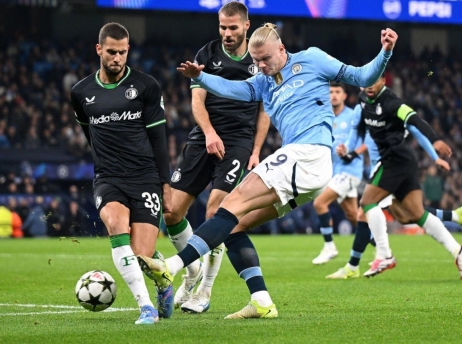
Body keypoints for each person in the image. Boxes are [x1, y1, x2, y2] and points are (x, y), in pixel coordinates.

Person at [140, 23, 397, 319]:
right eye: (256, 61)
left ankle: (172, 267)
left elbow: (362, 76)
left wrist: (386, 52)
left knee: (229, 205)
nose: (260, 65)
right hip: (305, 169)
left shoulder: (312, 59)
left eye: (265, 59)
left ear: (282, 49)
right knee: (236, 225)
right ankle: (261, 300)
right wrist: (201, 77)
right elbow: (234, 89)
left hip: (307, 154)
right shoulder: (263, 82)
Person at [164, 1, 270, 313]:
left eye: (232, 28)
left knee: (216, 212)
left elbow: (265, 109)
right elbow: (198, 101)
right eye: (222, 27)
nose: (226, 33)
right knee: (170, 212)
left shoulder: (258, 57)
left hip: (238, 141)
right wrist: (209, 133)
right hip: (204, 138)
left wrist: (255, 150)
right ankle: (192, 268)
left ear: (246, 26)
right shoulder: (207, 54)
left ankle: (205, 292)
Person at [70, 22, 172, 324]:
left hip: (145, 179)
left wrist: (164, 184)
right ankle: (146, 309)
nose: (117, 58)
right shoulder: (81, 92)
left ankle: (163, 278)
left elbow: (159, 138)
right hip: (109, 178)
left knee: (142, 258)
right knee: (115, 223)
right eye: (112, 52)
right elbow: (90, 135)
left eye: (123, 52)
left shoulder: (147, 86)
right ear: (99, 49)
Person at [326, 97, 462, 279]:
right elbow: (355, 136)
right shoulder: (362, 110)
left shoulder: (391, 107)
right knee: (411, 215)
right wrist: (346, 148)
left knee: (364, 210)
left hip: (390, 164)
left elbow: (416, 130)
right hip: (384, 165)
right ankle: (458, 246)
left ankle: (365, 261)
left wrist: (434, 157)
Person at [311, 82, 366, 265]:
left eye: (337, 92)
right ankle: (383, 251)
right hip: (333, 171)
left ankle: (329, 247)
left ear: (344, 96)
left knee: (320, 203)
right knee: (354, 216)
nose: (333, 95)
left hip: (350, 170)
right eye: (331, 92)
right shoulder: (323, 116)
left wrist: (351, 152)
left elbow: (369, 141)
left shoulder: (353, 116)